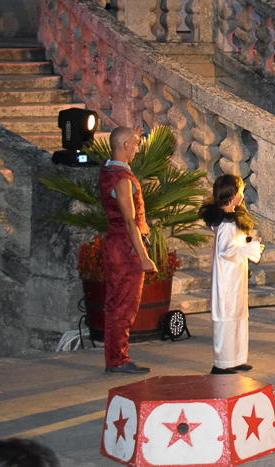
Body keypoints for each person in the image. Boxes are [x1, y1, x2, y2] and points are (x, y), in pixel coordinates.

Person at [99, 125, 156, 374]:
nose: (137, 149)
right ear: (125, 146)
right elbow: (129, 221)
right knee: (124, 305)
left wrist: (130, 134)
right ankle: (118, 359)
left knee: (116, 302)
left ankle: (115, 357)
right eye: (135, 144)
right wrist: (143, 256)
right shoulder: (122, 179)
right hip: (125, 247)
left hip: (116, 242)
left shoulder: (108, 169)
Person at [200, 174, 264, 374]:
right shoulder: (226, 224)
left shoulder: (231, 220)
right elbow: (226, 251)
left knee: (238, 316)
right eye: (240, 191)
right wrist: (250, 249)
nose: (242, 195)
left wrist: (247, 245)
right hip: (226, 279)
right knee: (227, 319)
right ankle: (222, 362)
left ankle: (236, 358)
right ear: (231, 194)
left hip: (235, 277)